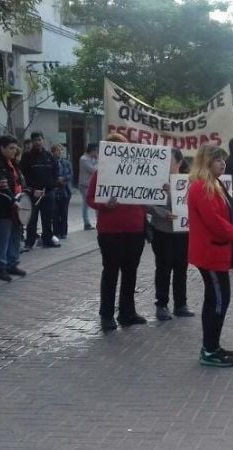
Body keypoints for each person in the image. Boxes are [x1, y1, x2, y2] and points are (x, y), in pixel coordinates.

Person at [188, 143, 233, 367]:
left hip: (216, 250)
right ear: (207, 162)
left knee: (216, 299)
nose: (223, 163)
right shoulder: (202, 186)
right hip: (210, 252)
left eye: (223, 159)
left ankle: (212, 345)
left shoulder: (214, 184)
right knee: (218, 300)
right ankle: (209, 350)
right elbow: (215, 222)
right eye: (218, 159)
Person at [86, 133, 147, 330]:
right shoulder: (100, 173)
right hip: (110, 232)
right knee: (111, 272)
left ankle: (127, 312)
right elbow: (90, 199)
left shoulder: (137, 171)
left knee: (131, 273)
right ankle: (106, 315)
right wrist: (105, 204)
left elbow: (150, 192)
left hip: (135, 229)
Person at [147, 148, 195, 321]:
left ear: (179, 163)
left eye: (169, 161)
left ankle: (181, 304)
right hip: (162, 230)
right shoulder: (154, 181)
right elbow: (146, 203)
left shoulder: (189, 181)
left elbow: (193, 202)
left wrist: (174, 192)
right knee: (163, 267)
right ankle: (162, 305)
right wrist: (163, 214)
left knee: (181, 267)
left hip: (183, 232)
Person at [0, 135, 27, 282]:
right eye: (11, 148)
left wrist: (27, 194)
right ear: (2, 148)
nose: (14, 151)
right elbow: (1, 187)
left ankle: (12, 263)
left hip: (16, 206)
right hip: (3, 208)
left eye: (15, 148)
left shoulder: (12, 163)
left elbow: (18, 182)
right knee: (3, 238)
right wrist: (13, 200)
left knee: (15, 236)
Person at [20, 131, 60, 249]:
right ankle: (30, 242)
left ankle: (47, 239)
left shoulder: (48, 156)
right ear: (32, 142)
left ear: (43, 140)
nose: (37, 142)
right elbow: (22, 175)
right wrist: (32, 190)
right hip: (33, 194)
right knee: (32, 218)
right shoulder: (27, 156)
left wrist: (50, 186)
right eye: (35, 140)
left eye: (39, 139)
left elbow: (55, 172)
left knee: (47, 218)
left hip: (48, 193)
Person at [51, 144, 72, 239]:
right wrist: (56, 179)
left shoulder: (66, 163)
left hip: (65, 189)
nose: (59, 152)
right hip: (55, 189)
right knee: (55, 212)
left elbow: (71, 174)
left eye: (60, 150)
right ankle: (56, 231)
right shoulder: (51, 162)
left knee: (64, 212)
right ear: (53, 152)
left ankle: (64, 232)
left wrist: (64, 178)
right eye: (57, 150)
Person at [78, 143, 98, 230]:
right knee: (86, 204)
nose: (97, 153)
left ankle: (98, 221)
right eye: (96, 150)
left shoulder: (93, 158)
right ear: (92, 150)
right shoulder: (84, 159)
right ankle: (86, 223)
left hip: (92, 184)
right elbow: (94, 170)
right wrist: (97, 161)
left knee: (97, 203)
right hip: (85, 185)